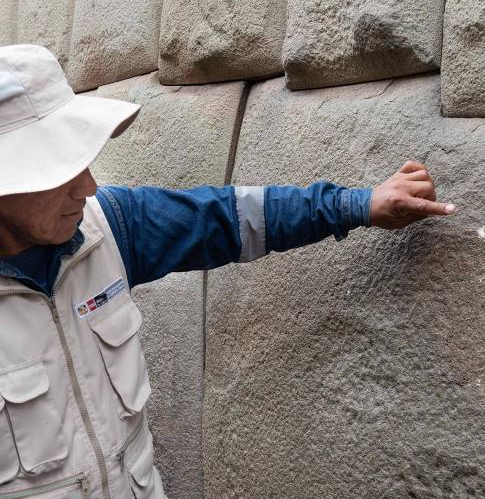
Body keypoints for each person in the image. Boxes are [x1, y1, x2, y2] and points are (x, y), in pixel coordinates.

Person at [0, 45, 456, 499]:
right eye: (60, 168)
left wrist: (358, 205)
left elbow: (226, 217)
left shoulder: (109, 226)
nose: (88, 186)